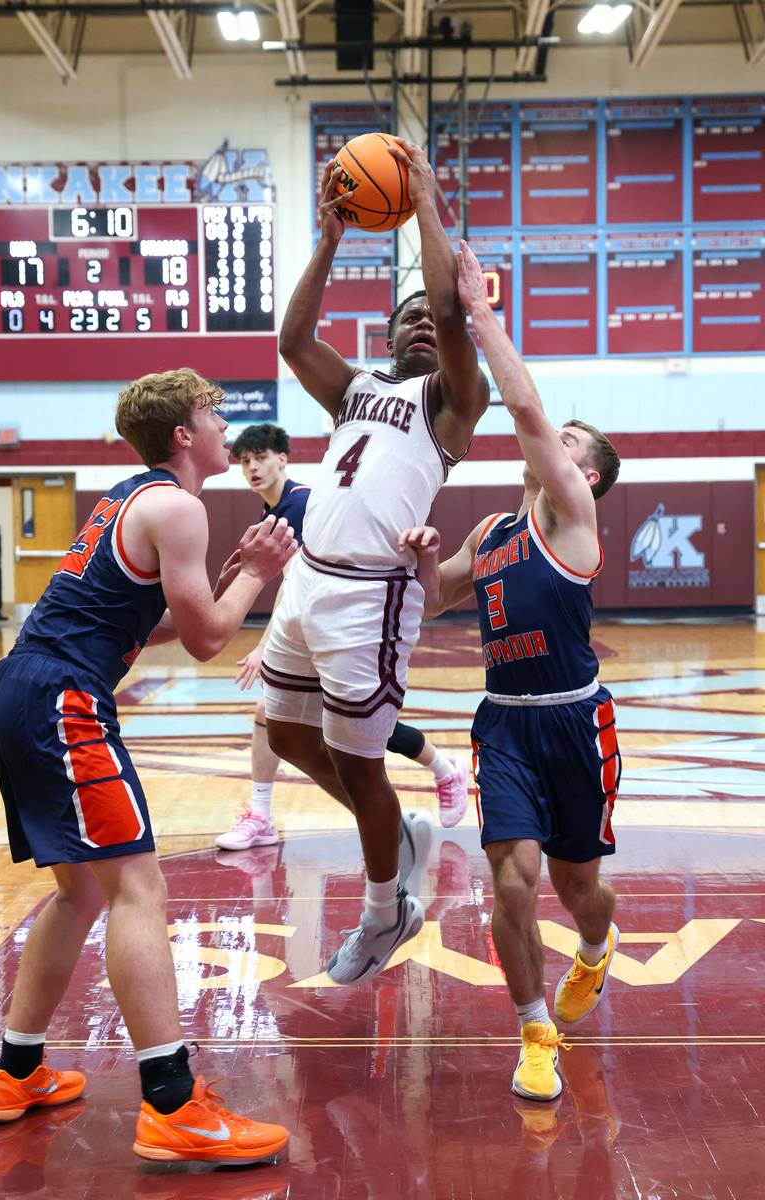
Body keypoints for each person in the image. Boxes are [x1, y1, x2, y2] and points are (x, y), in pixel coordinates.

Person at [0, 368, 294, 1165]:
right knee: (137, 888)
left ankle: (15, 1072)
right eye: (215, 413)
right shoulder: (180, 507)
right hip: (59, 698)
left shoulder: (126, 498)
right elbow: (209, 641)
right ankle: (172, 1103)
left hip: (17, 688)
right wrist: (257, 570)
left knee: (83, 889)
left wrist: (222, 587)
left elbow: (135, 620)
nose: (226, 426)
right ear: (185, 434)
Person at [262, 141, 489, 986]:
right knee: (284, 732)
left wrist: (424, 200)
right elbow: (292, 338)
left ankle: (384, 907)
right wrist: (328, 237)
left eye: (430, 317)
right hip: (305, 582)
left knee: (360, 761)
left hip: (369, 595)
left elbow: (451, 314)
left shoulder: (455, 405)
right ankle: (393, 835)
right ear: (386, 335)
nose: (423, 322)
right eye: (408, 318)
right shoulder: (356, 388)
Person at [399, 240, 621, 1102]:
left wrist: (483, 320)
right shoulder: (492, 531)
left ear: (588, 473)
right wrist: (421, 558)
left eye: (569, 442)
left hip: (575, 717)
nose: (547, 440)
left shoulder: (574, 514)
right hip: (506, 721)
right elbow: (438, 599)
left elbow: (527, 412)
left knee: (578, 888)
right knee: (514, 880)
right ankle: (534, 1029)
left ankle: (598, 949)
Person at [215, 421, 469, 852]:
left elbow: (299, 583)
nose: (252, 467)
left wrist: (263, 645)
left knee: (332, 722)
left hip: (351, 618)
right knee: (321, 724)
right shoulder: (273, 510)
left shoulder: (298, 504)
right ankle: (441, 772)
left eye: (260, 458)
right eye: (244, 461)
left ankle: (269, 815)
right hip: (317, 622)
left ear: (282, 459)